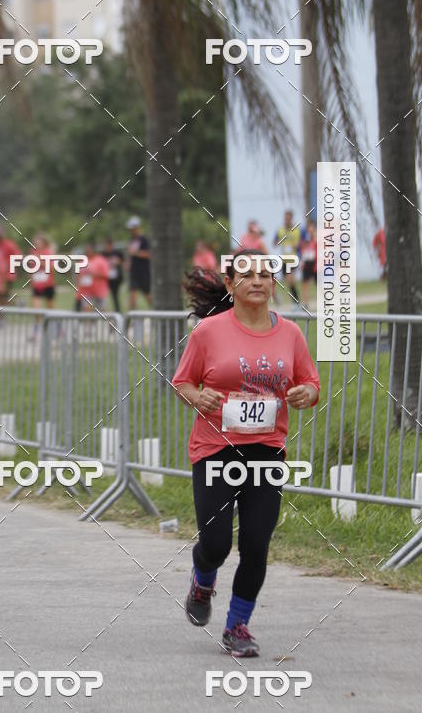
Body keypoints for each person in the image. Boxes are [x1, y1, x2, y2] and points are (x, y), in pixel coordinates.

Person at [172, 249, 319, 656]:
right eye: (248, 274)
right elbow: (182, 382)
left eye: (266, 274)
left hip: (266, 452)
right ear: (231, 284)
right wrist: (198, 397)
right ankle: (203, 583)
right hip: (216, 450)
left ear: (274, 284)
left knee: (256, 543)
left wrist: (306, 394)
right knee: (217, 544)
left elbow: (310, 382)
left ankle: (237, 626)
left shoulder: (290, 333)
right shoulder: (208, 332)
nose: (258, 280)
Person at [274, 210, 302, 305]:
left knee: (290, 280)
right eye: (286, 218)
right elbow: (275, 242)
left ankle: (296, 302)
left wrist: (295, 246)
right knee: (289, 282)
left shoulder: (296, 230)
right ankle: (295, 301)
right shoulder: (280, 230)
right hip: (283, 260)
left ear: (291, 218)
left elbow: (301, 243)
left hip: (293, 259)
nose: (287, 220)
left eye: (289, 218)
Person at [76, 243, 110, 312]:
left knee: (103, 312)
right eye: (86, 250)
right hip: (86, 292)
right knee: (87, 312)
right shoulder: (82, 262)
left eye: (89, 249)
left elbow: (106, 275)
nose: (87, 251)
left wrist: (94, 274)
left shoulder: (101, 261)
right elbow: (79, 276)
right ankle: (89, 323)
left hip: (100, 291)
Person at [126, 216, 151, 309]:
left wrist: (136, 253)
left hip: (143, 271)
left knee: (148, 294)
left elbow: (148, 254)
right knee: (132, 294)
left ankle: (157, 312)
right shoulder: (132, 240)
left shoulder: (144, 240)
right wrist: (128, 263)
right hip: (134, 272)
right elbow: (130, 254)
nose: (131, 231)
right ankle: (133, 318)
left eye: (132, 229)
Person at [29, 234, 56, 311]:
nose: (36, 243)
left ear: (44, 242)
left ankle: (52, 322)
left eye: (39, 241)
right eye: (35, 241)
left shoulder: (48, 252)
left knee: (50, 307)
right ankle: (38, 323)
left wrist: (39, 261)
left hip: (48, 283)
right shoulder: (33, 252)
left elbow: (51, 268)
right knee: (36, 308)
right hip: (37, 284)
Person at [102, 237, 124, 313]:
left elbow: (124, 263)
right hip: (106, 278)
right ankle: (105, 312)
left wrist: (119, 262)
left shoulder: (117, 253)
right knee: (103, 296)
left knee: (115, 296)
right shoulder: (103, 254)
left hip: (116, 278)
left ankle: (117, 311)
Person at [299, 220, 317, 307]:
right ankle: (305, 303)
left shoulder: (317, 237)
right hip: (306, 262)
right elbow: (302, 247)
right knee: (305, 284)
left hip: (315, 263)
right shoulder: (305, 237)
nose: (310, 229)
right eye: (308, 227)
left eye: (311, 227)